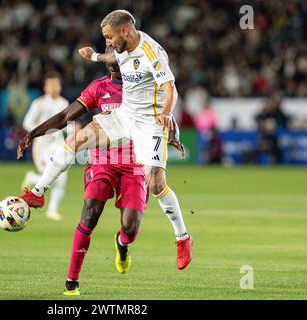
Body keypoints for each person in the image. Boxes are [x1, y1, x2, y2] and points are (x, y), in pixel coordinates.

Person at [18, 10, 193, 271]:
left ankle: (182, 238)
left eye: (109, 37)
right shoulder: (121, 48)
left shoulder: (151, 53)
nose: (108, 42)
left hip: (150, 122)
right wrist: (95, 56)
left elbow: (170, 87)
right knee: (77, 140)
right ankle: (38, 193)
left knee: (156, 183)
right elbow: (114, 56)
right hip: (124, 115)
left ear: (124, 31)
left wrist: (167, 115)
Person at [21, 72, 69, 221]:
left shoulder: (64, 103)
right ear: (45, 87)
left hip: (58, 144)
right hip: (42, 145)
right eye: (51, 85)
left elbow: (68, 125)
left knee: (60, 175)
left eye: (57, 84)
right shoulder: (39, 103)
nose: (54, 88)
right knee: (51, 175)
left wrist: (74, 131)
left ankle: (52, 209)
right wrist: (42, 131)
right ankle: (34, 178)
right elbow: (27, 123)